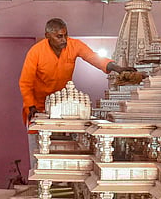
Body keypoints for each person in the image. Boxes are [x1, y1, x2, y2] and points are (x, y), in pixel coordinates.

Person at [18, 18, 135, 169]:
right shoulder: (36, 52)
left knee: (62, 146)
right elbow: (25, 82)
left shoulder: (74, 45)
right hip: (37, 107)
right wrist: (30, 106)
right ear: (47, 36)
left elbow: (93, 57)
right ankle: (38, 177)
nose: (64, 40)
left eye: (65, 35)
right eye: (59, 36)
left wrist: (116, 68)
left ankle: (60, 178)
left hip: (63, 106)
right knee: (38, 149)